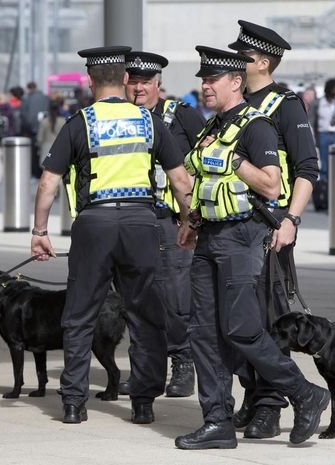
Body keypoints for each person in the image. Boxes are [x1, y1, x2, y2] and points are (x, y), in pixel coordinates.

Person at [174, 45, 329, 450]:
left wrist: (235, 161)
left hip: (244, 237)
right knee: (203, 333)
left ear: (235, 82)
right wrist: (191, 220)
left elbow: (272, 184)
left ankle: (303, 393)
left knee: (242, 329)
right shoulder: (212, 126)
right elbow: (201, 179)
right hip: (210, 235)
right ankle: (217, 421)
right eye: (203, 80)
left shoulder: (256, 126)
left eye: (212, 80)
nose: (205, 87)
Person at [30, 46, 195, 426]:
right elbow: (180, 179)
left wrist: (40, 231)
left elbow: (48, 183)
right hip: (141, 224)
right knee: (144, 315)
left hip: (93, 226)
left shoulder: (78, 123)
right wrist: (189, 222)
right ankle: (142, 403)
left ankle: (73, 403)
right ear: (124, 79)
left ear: (90, 82)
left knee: (80, 314)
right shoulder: (148, 121)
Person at [226, 20, 319, 439]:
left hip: (269, 230)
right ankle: (253, 393)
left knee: (268, 321)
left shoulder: (285, 105)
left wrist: (291, 220)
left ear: (263, 61)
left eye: (243, 57)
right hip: (232, 229)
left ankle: (270, 404)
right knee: (235, 321)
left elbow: (306, 170)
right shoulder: (236, 104)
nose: (237, 62)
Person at [123, 50, 206, 398]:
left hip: (172, 222)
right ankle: (144, 368)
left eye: (146, 82)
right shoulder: (119, 118)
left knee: (176, 299)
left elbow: (208, 157)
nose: (139, 88)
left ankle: (182, 362)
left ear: (159, 84)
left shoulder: (182, 116)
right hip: (131, 221)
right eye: (134, 81)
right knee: (136, 299)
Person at [20, 81, 49, 178]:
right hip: (45, 127)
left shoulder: (27, 99)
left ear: (28, 88)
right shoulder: (45, 97)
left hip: (32, 129)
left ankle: (35, 172)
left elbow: (23, 114)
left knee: (33, 152)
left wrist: (28, 126)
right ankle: (43, 171)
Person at [314, 78, 335, 180]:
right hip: (323, 135)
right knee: (324, 163)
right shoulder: (318, 103)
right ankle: (324, 187)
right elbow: (312, 121)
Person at [36, 94, 66, 168]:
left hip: (46, 150)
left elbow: (39, 138)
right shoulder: (63, 121)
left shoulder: (44, 121)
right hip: (60, 151)